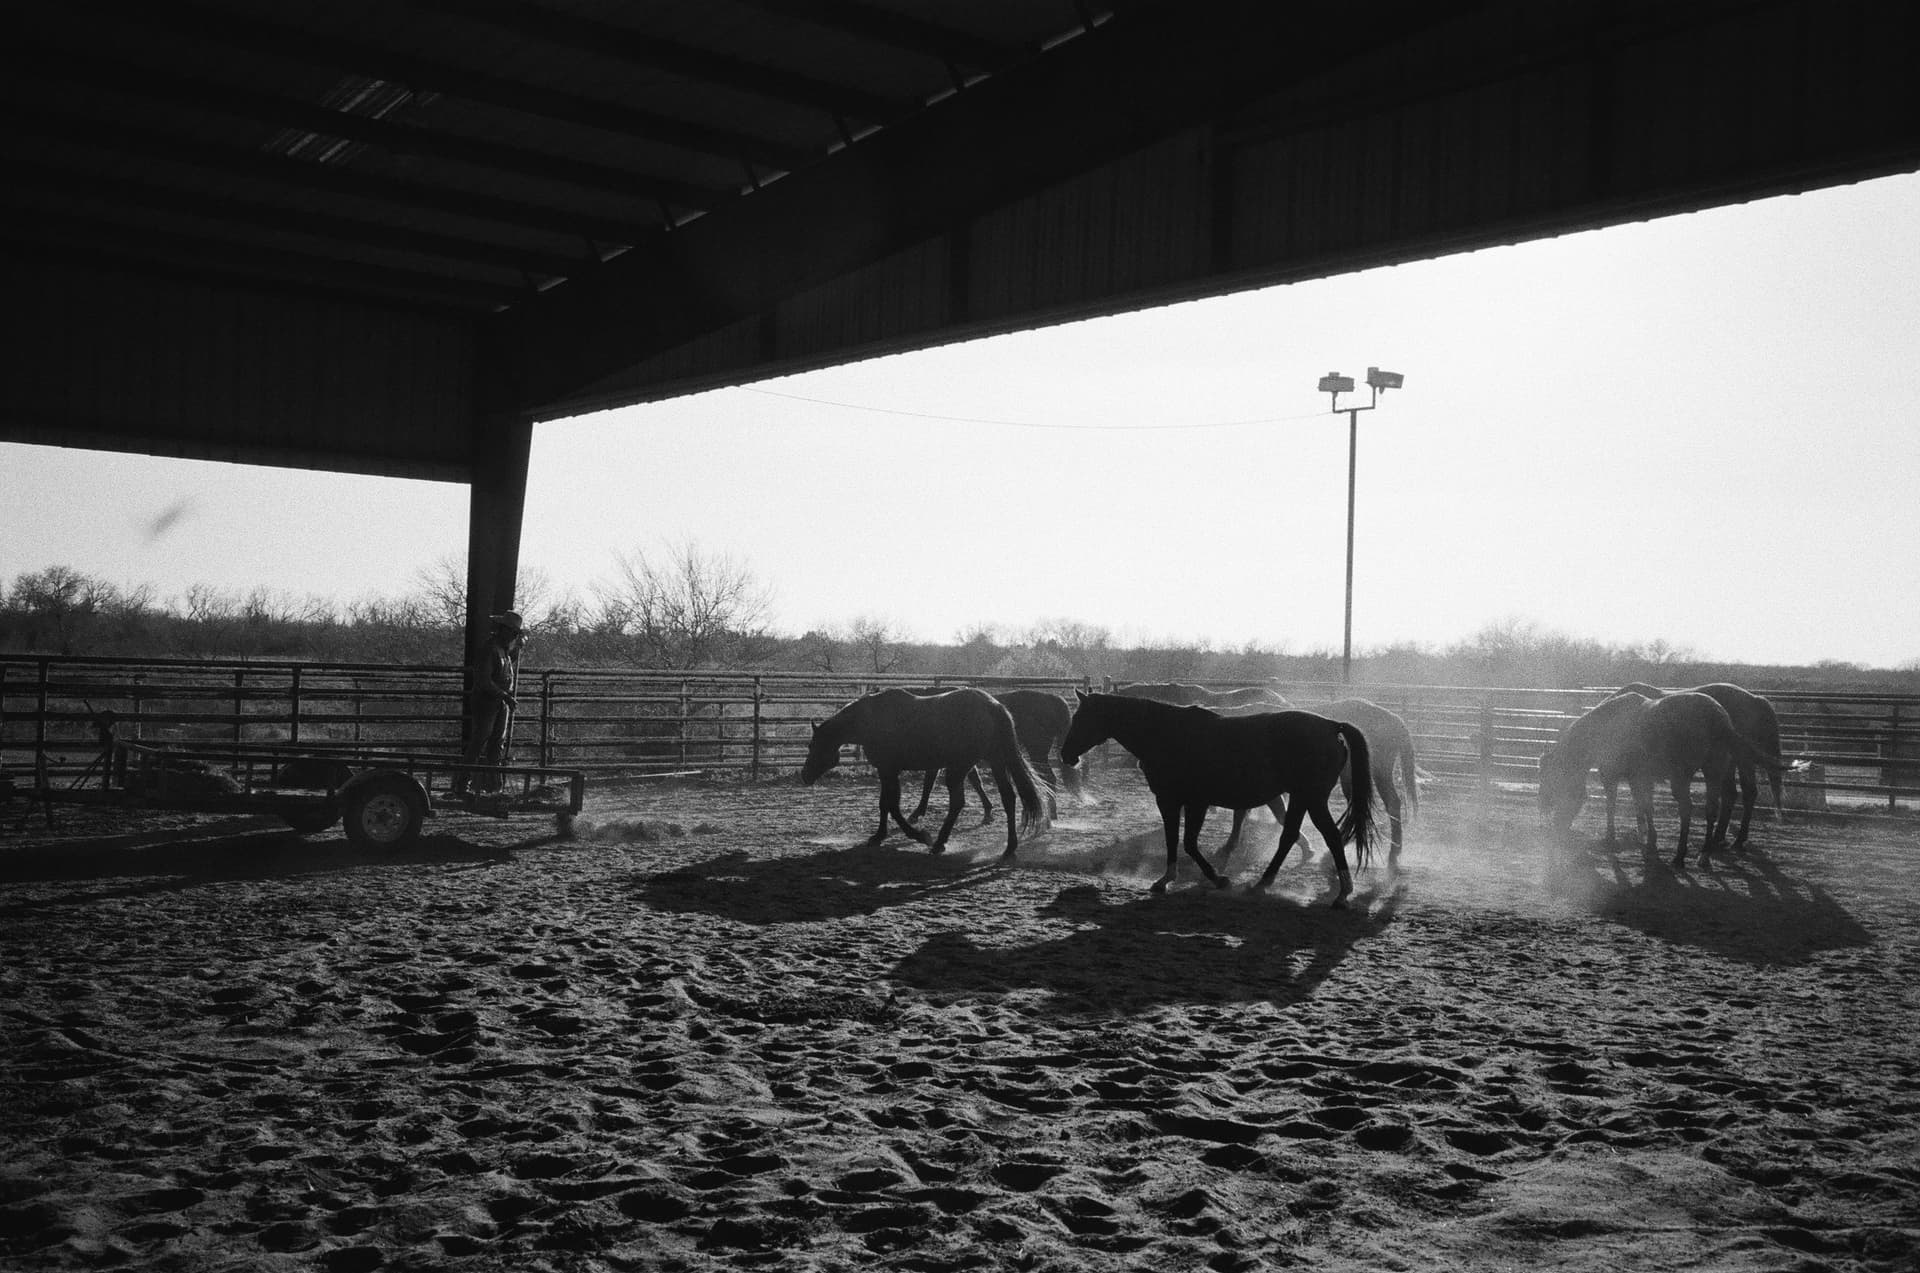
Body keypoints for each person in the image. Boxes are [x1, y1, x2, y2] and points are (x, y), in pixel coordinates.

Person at [453, 611, 525, 795]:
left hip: (499, 701)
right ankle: (462, 784)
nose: (514, 636)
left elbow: (506, 666)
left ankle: (493, 785)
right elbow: (484, 681)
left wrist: (519, 647)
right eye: (513, 633)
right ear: (503, 630)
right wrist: (505, 696)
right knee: (480, 740)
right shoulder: (489, 649)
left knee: (497, 743)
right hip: (486, 701)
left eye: (516, 634)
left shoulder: (504, 650)